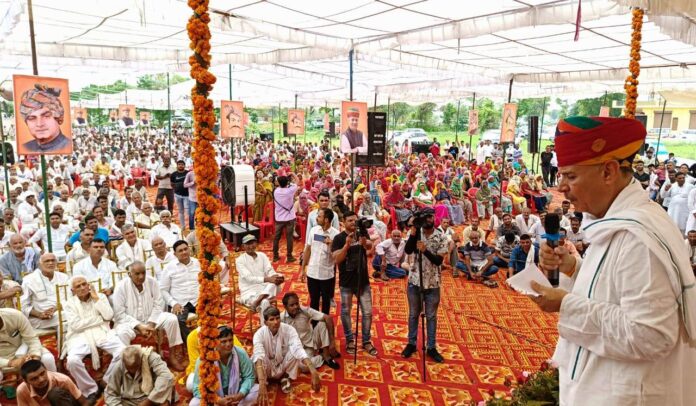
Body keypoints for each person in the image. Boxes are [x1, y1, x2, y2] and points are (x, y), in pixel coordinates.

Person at [530, 115, 696, 405]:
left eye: (571, 176)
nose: (562, 188)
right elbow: (612, 291)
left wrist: (565, 304)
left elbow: (650, 334)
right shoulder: (618, 220)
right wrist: (573, 268)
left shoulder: (637, 237)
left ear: (607, 171)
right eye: (561, 177)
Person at [112, 261, 186, 371]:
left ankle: (172, 356)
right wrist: (139, 326)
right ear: (129, 274)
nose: (141, 277)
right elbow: (119, 314)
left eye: (143, 273)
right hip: (129, 323)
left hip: (151, 319)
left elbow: (159, 303)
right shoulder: (121, 286)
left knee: (171, 319)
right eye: (137, 274)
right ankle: (129, 365)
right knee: (122, 333)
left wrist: (151, 323)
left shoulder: (152, 282)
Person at [401, 209, 447, 363]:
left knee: (431, 316)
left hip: (433, 283)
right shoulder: (416, 233)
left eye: (431, 216)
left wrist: (425, 250)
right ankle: (411, 343)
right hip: (415, 281)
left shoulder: (441, 236)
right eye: (427, 217)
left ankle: (431, 347)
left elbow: (439, 261)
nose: (430, 219)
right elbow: (407, 250)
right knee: (414, 314)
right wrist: (413, 230)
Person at [331, 211, 377, 356]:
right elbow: (336, 259)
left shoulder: (362, 233)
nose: (353, 223)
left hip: (363, 281)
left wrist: (365, 242)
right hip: (346, 282)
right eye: (350, 220)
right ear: (343, 222)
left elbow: (369, 248)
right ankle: (350, 340)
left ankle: (366, 341)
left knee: (368, 312)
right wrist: (346, 245)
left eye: (354, 220)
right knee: (346, 312)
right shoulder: (338, 238)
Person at [253, 307, 321, 398]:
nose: (276, 322)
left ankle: (285, 377)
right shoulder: (259, 334)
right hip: (267, 368)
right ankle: (264, 381)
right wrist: (261, 382)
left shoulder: (289, 330)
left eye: (277, 318)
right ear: (265, 323)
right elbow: (258, 355)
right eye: (271, 319)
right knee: (259, 357)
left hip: (282, 366)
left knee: (295, 353)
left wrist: (313, 371)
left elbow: (298, 349)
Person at [189, 325, 258, 406]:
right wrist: (218, 400)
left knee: (257, 390)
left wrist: (240, 395)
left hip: (235, 393)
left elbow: (249, 377)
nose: (228, 344)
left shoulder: (240, 353)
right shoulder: (205, 358)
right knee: (194, 404)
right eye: (224, 341)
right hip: (214, 396)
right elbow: (197, 388)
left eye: (230, 340)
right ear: (215, 343)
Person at [280, 292, 340, 370]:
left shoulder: (304, 310)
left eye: (297, 303)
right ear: (285, 307)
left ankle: (327, 356)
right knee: (304, 367)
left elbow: (328, 318)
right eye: (292, 305)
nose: (295, 307)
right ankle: (322, 357)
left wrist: (332, 342)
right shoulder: (281, 318)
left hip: (312, 343)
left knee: (322, 323)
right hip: (297, 349)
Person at [104, 345, 174, 406]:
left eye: (136, 366)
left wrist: (149, 400)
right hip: (130, 400)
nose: (132, 370)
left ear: (140, 359)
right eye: (129, 368)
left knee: (165, 392)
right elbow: (110, 393)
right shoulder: (119, 366)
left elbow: (166, 376)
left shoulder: (150, 357)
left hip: (153, 395)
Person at [0, 307, 57, 381]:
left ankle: (53, 386)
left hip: (22, 350)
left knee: (47, 359)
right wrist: (10, 363)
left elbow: (32, 339)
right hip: (2, 357)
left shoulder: (14, 315)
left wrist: (35, 356)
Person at [160, 240, 200, 342]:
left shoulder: (198, 263)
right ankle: (191, 343)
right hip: (180, 303)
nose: (184, 252)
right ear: (175, 254)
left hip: (198, 300)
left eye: (185, 249)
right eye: (180, 251)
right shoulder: (169, 267)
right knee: (177, 320)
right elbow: (163, 290)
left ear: (189, 249)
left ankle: (209, 338)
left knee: (212, 312)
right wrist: (174, 304)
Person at [301, 208, 339, 314]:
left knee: (326, 303)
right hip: (312, 273)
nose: (316, 218)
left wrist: (331, 244)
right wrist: (303, 268)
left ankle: (324, 326)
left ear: (326, 219)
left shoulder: (336, 235)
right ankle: (314, 326)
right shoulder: (314, 230)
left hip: (327, 275)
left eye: (319, 216)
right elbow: (308, 249)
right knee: (314, 301)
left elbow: (337, 257)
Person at [236, 234, 284, 314]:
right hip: (249, 291)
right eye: (248, 244)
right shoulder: (239, 260)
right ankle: (260, 302)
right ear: (243, 246)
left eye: (252, 243)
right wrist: (268, 279)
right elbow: (249, 278)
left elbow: (269, 269)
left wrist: (275, 276)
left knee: (278, 277)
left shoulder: (262, 256)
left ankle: (258, 300)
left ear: (256, 244)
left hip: (264, 288)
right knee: (264, 302)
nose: (251, 246)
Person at [21, 253, 70, 330]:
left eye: (53, 260)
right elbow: (23, 306)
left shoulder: (64, 277)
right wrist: (39, 314)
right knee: (67, 317)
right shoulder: (29, 280)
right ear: (40, 264)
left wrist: (56, 309)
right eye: (47, 261)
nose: (50, 263)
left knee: (65, 320)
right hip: (39, 319)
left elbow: (70, 298)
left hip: (61, 311)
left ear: (56, 263)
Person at [18, 84, 72, 153]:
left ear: (58, 118)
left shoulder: (67, 145)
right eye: (32, 118)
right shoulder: (26, 147)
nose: (39, 124)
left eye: (46, 116)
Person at [17, 359, 90, 406]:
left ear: (46, 370)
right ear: (26, 381)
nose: (41, 379)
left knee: (55, 393)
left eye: (42, 373)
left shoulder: (63, 380)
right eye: (34, 378)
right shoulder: (21, 390)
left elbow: (83, 402)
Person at [272, 173, 300, 263]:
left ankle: (275, 256)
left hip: (279, 218)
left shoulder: (275, 191)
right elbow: (297, 181)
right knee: (289, 238)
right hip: (290, 218)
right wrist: (292, 174)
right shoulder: (290, 190)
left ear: (278, 183)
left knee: (276, 238)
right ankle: (289, 256)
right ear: (287, 182)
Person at [170, 159, 189, 230]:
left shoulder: (188, 173)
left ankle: (191, 226)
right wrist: (177, 189)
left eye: (182, 164)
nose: (181, 166)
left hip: (187, 195)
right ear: (177, 166)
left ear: (184, 165)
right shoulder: (173, 174)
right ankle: (182, 227)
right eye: (179, 164)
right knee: (181, 211)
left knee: (188, 211)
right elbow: (172, 184)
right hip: (178, 195)